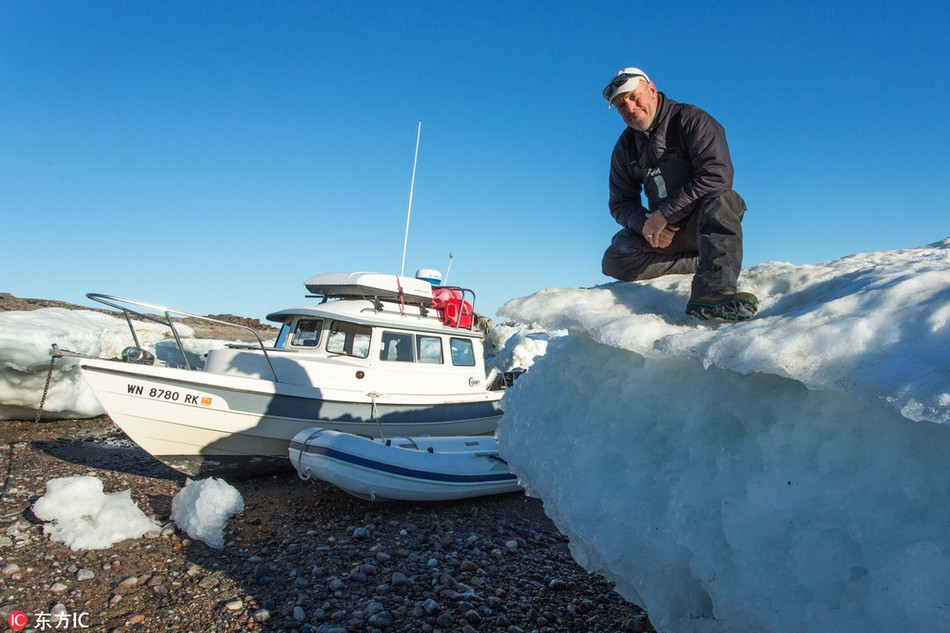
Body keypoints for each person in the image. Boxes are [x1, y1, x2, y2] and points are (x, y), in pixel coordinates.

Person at [601, 67, 758, 321]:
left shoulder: (691, 120)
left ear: (652, 89)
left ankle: (714, 292)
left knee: (724, 200)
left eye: (633, 97)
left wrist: (664, 214)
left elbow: (717, 175)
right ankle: (701, 262)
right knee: (615, 258)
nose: (629, 108)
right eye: (620, 105)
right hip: (663, 234)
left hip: (703, 223)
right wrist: (646, 225)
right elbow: (620, 203)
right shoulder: (625, 147)